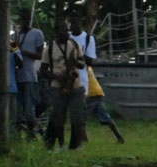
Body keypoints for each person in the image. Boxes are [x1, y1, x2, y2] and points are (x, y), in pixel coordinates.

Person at [40, 20, 86, 150]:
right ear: (56, 33)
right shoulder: (48, 49)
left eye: (67, 30)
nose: (66, 33)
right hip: (58, 85)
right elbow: (42, 71)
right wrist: (56, 77)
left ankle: (76, 145)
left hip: (75, 84)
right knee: (58, 117)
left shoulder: (74, 44)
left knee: (77, 116)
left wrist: (75, 62)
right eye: (63, 30)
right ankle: (62, 145)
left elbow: (83, 64)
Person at [15, 16, 45, 139]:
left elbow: (39, 55)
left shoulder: (37, 33)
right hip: (17, 77)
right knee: (17, 109)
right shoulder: (17, 35)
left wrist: (23, 52)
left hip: (30, 76)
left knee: (29, 107)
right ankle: (17, 134)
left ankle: (31, 133)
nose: (24, 22)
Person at [68, 13, 95, 144]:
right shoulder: (67, 39)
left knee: (80, 107)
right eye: (71, 24)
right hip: (67, 78)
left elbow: (90, 60)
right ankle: (81, 135)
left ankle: (82, 135)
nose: (73, 26)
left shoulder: (88, 39)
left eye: (75, 23)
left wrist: (78, 55)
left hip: (82, 78)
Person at [85, 66, 125, 143]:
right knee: (106, 117)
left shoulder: (77, 68)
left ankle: (85, 140)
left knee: (81, 119)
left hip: (89, 94)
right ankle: (119, 137)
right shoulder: (88, 67)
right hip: (98, 92)